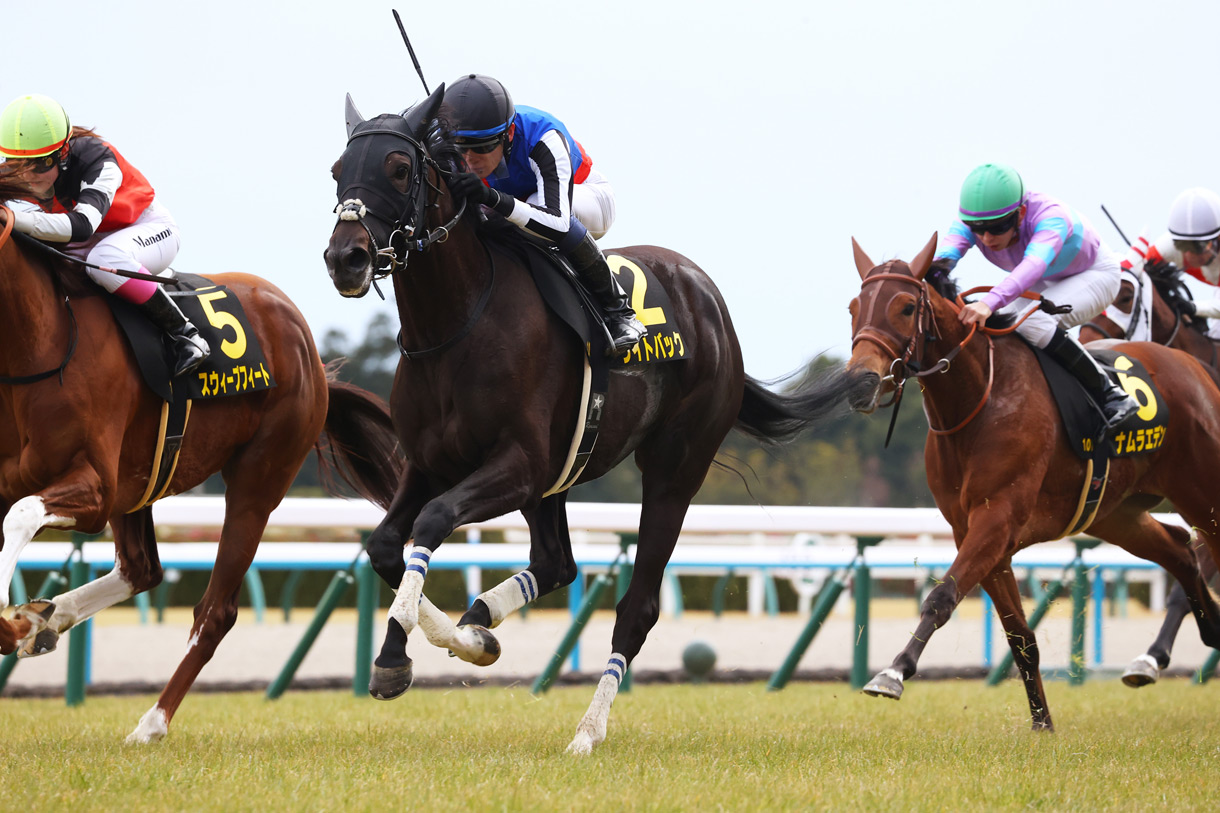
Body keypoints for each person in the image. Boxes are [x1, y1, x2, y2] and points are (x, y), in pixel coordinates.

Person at [0, 94, 209, 377]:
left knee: (104, 257)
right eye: (16, 164)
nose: (27, 176)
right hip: (93, 238)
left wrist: (12, 219)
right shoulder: (25, 171)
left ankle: (185, 333)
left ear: (63, 153)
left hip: (148, 229)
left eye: (40, 164)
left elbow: (82, 226)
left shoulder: (98, 160)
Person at [442, 74, 645, 355]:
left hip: (585, 199)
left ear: (508, 135)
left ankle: (619, 311)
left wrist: (492, 198)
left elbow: (557, 222)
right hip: (523, 205)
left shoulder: (544, 137)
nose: (469, 159)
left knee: (533, 206)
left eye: (482, 147)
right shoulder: (456, 148)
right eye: (460, 147)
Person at [933, 163, 1138, 428]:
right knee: (999, 325)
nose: (986, 238)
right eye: (977, 229)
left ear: (1020, 214)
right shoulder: (975, 222)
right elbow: (941, 262)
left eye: (997, 227)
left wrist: (988, 302)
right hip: (1047, 278)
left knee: (1032, 322)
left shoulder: (1051, 217)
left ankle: (1111, 395)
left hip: (1096, 274)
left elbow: (1032, 267)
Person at [1119, 187, 1220, 337]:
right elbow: (1134, 271)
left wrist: (1192, 307)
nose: (1189, 254)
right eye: (1182, 245)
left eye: (1197, 246)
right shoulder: (1168, 247)